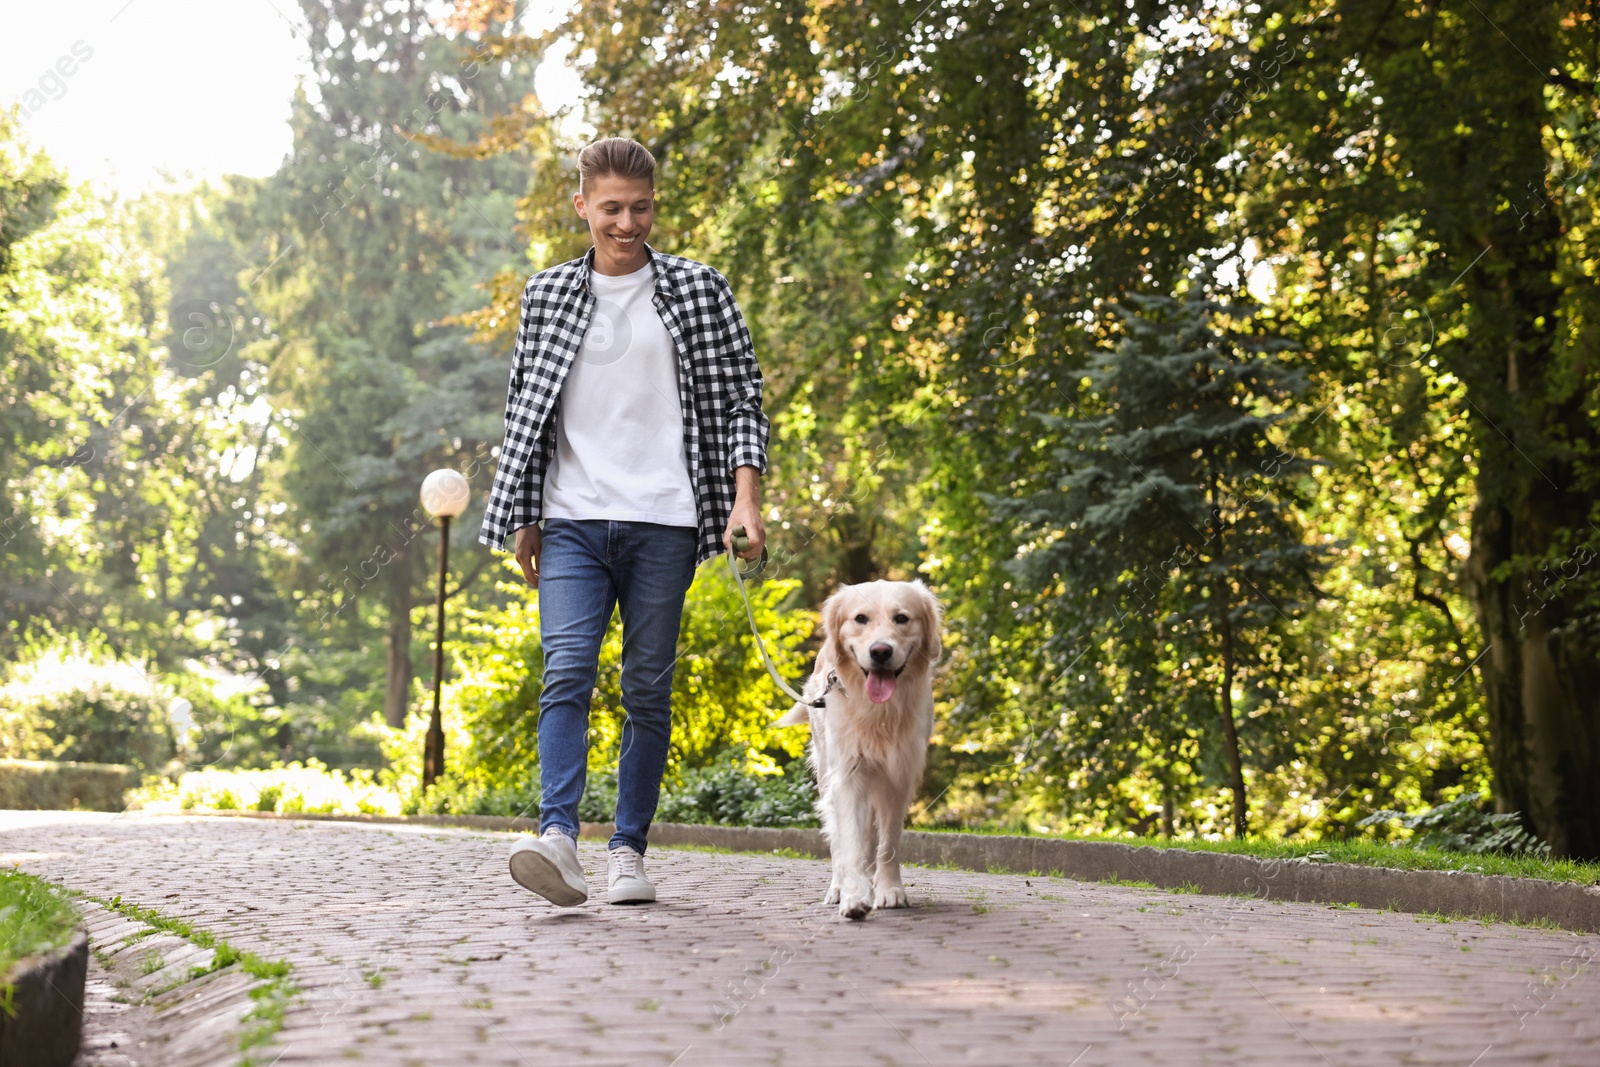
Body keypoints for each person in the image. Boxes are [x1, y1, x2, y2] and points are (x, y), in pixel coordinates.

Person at [478, 137, 769, 906]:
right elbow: (524, 412)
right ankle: (559, 839)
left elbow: (743, 398)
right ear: (582, 206)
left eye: (640, 207)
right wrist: (524, 515)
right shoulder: (548, 295)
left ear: (654, 205)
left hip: (666, 520)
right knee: (566, 670)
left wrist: (746, 499)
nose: (627, 222)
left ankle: (629, 850)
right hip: (573, 517)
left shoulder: (698, 289)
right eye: (611, 208)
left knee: (646, 687)